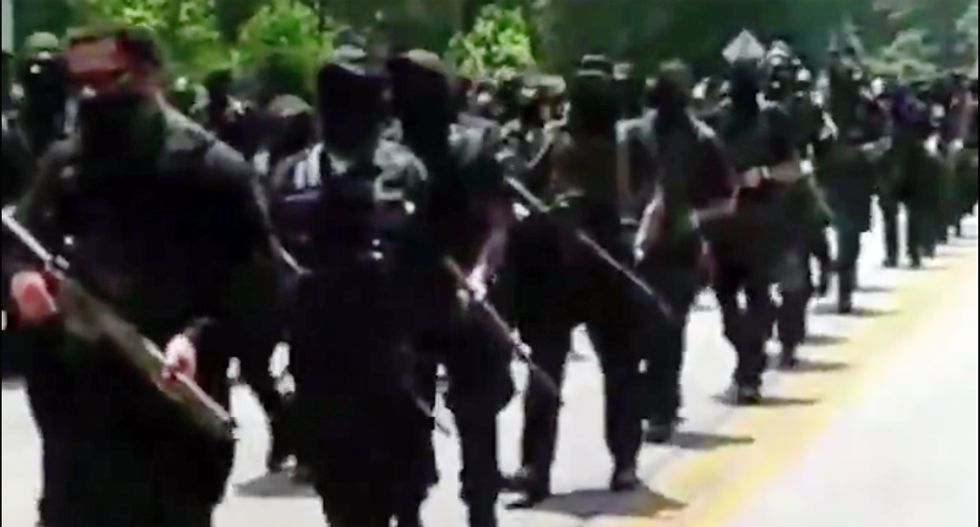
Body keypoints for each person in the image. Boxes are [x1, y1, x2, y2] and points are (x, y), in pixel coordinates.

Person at [2, 27, 279, 527]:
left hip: (172, 430)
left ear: (151, 78)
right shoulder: (67, 165)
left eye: (106, 79)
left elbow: (258, 291)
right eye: (78, 82)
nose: (89, 95)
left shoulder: (212, 171)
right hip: (80, 428)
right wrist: (23, 282)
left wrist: (197, 339)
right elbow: (18, 242)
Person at [268, 45, 435, 527]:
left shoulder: (402, 170)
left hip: (390, 360)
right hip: (322, 364)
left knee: (402, 492)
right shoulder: (291, 174)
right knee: (344, 502)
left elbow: (423, 258)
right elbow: (276, 258)